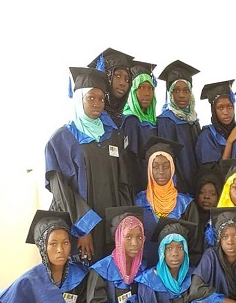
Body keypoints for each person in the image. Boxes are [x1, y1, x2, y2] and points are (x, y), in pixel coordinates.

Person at [45, 67, 134, 264]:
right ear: (79, 99)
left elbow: (122, 182)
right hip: (81, 223)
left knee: (110, 271)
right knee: (84, 274)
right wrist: (83, 228)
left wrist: (123, 224)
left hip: (111, 221)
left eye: (101, 99)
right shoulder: (62, 139)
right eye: (91, 98)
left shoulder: (111, 135)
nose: (97, 104)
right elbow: (61, 190)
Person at [135, 138, 199, 265]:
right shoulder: (138, 202)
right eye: (155, 167)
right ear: (149, 170)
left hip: (178, 271)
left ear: (173, 168)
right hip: (144, 271)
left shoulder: (186, 204)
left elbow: (194, 244)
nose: (161, 172)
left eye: (166, 166)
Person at [155, 60, 201, 195]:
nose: (182, 95)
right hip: (178, 188)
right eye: (176, 90)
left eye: (186, 90)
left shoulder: (193, 120)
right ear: (170, 93)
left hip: (197, 184)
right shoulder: (165, 121)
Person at [120, 60, 159, 192]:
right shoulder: (130, 120)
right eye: (141, 88)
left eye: (150, 88)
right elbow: (132, 162)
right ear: (132, 91)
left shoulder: (154, 120)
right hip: (141, 187)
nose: (147, 93)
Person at [194, 79, 236, 165]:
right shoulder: (207, 137)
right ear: (213, 110)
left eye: (229, 106)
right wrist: (229, 142)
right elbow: (213, 173)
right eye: (220, 107)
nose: (226, 112)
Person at [88, 48, 134, 128]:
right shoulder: (91, 118)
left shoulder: (125, 122)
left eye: (127, 80)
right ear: (105, 76)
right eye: (118, 76)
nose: (123, 83)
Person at [190, 168, 222, 266]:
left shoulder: (223, 220)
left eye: (212, 194)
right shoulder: (190, 216)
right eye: (202, 192)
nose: (206, 197)